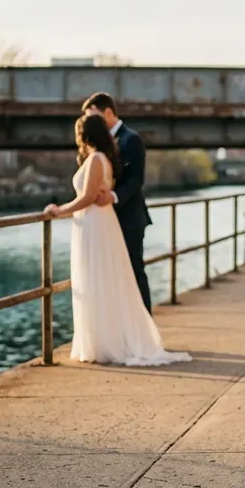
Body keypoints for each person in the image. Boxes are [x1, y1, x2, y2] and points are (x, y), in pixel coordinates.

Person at [44, 115, 190, 367]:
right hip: (95, 222)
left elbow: (88, 197)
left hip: (94, 222)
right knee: (99, 280)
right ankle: (101, 340)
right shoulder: (101, 158)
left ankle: (104, 343)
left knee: (97, 279)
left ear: (85, 134)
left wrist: (59, 210)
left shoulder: (97, 159)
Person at [81, 92, 154, 314]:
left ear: (109, 112)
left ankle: (145, 326)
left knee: (134, 271)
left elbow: (136, 180)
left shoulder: (130, 139)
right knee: (112, 276)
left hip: (129, 218)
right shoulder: (98, 145)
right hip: (106, 221)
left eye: (94, 116)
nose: (90, 122)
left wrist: (112, 196)